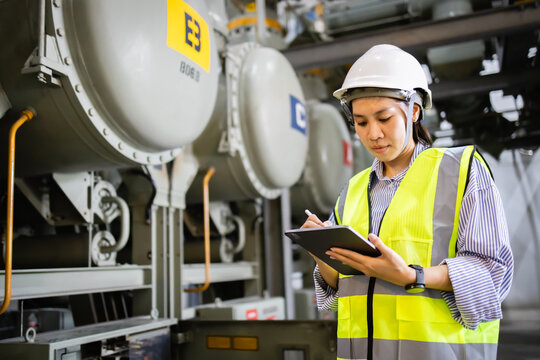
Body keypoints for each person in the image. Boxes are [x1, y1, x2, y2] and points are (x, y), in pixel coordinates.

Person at [301, 44, 513, 360]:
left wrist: (413, 276)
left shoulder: (461, 171)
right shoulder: (354, 189)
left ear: (414, 110)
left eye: (384, 118)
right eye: (360, 122)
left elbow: (493, 276)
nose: (373, 134)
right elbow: (337, 289)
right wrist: (321, 252)